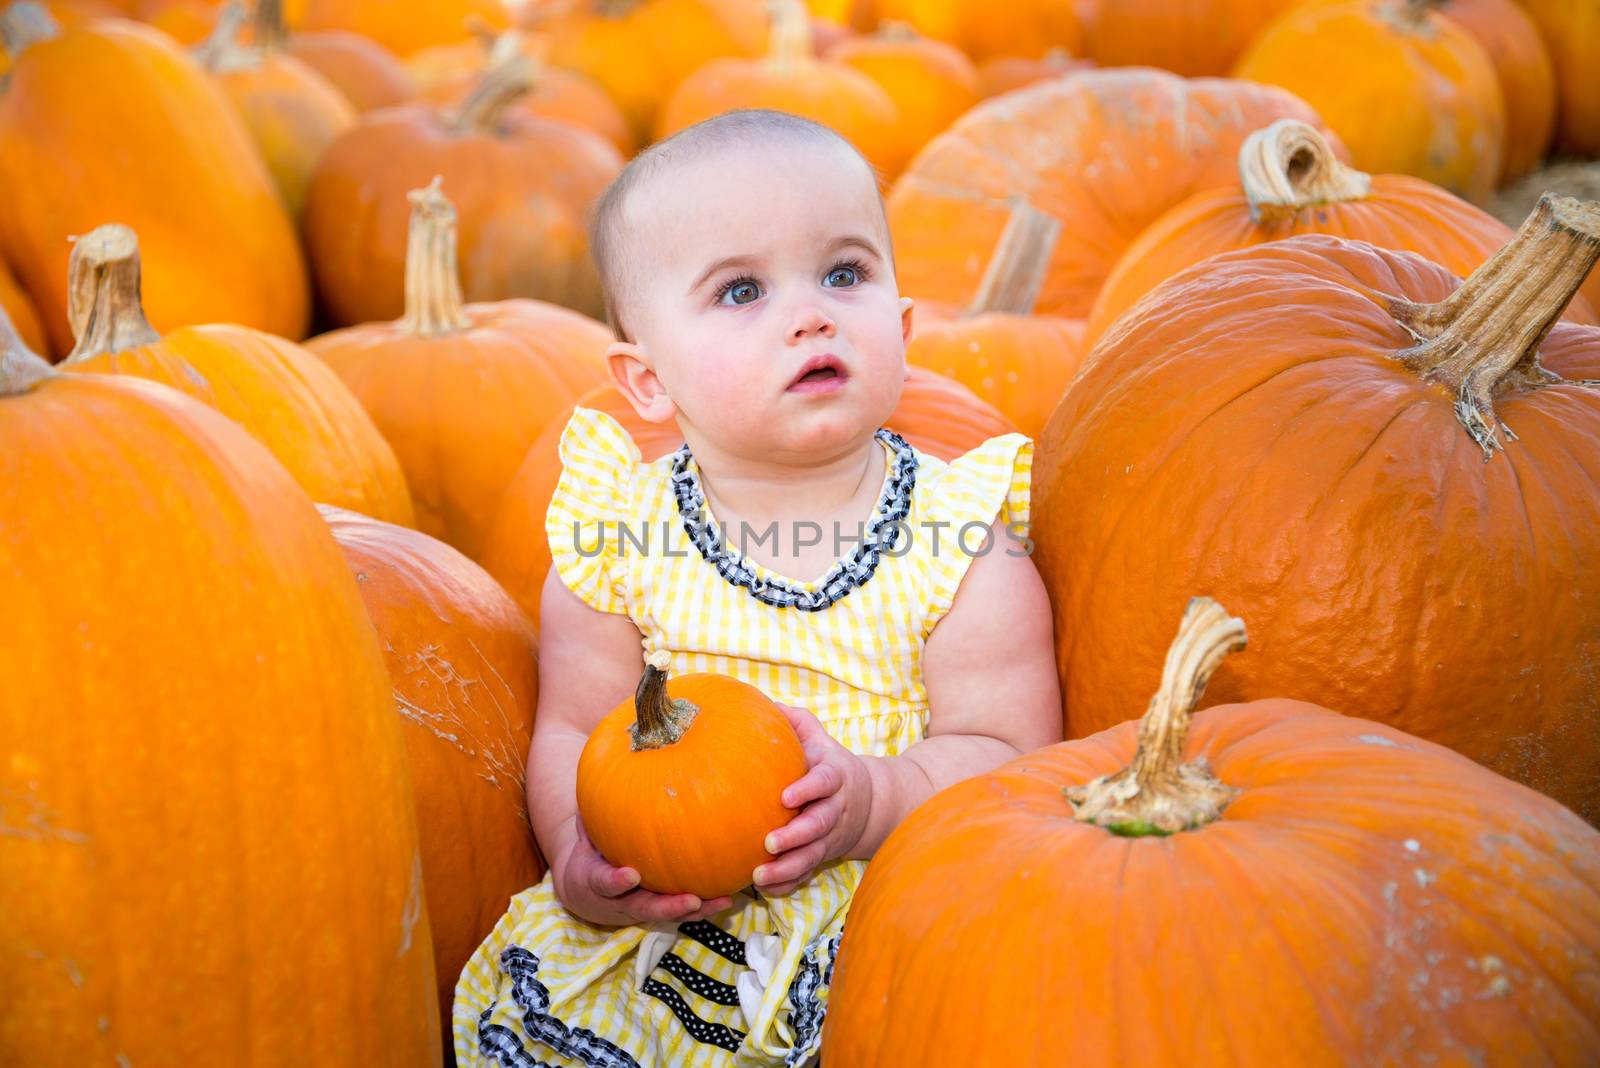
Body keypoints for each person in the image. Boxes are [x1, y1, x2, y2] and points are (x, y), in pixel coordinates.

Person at [455, 109, 1062, 1068]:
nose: (811, 313)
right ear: (647, 382)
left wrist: (875, 797)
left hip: (883, 913)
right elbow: (573, 727)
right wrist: (580, 857)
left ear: (903, 330)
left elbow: (1015, 754)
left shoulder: (960, 542)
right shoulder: (619, 537)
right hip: (670, 927)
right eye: (742, 290)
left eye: (845, 274)